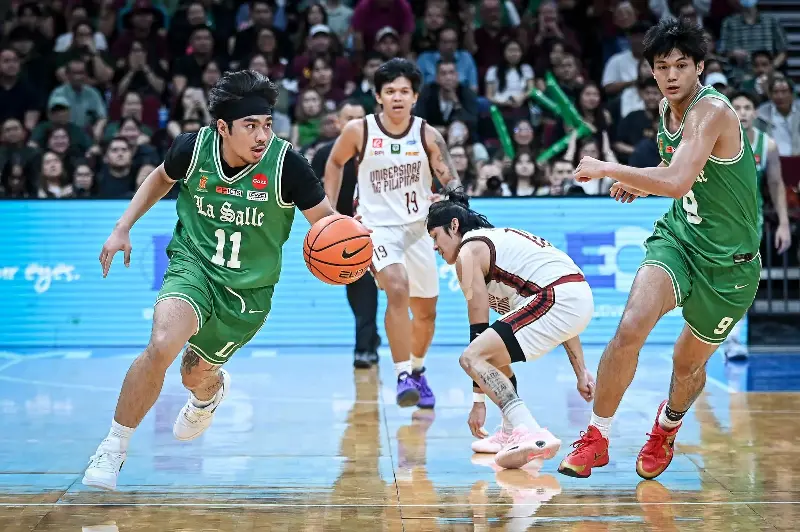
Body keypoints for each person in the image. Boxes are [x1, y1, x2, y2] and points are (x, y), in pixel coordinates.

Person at [83, 70, 342, 491]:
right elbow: (160, 178)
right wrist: (122, 226)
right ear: (223, 128)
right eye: (250, 126)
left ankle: (208, 396)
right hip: (194, 266)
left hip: (246, 294)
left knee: (193, 374)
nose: (262, 135)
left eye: (267, 124)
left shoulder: (287, 166)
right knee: (161, 345)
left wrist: (354, 249)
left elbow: (327, 224)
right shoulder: (193, 148)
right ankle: (113, 447)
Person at [558, 18, 762, 480]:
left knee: (686, 363)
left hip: (730, 267)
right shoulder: (667, 109)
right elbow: (677, 171)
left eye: (681, 65)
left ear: (700, 67)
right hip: (680, 240)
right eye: (662, 66)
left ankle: (666, 428)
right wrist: (642, 184)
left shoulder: (711, 111)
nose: (671, 75)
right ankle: (596, 437)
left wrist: (611, 169)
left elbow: (677, 180)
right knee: (630, 326)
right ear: (651, 71)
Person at [324, 58, 461, 409]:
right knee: (397, 289)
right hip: (376, 228)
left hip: (420, 228)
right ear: (378, 96)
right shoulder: (359, 130)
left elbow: (448, 174)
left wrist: (456, 195)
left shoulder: (427, 134)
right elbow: (335, 162)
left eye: (403, 91)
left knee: (426, 312)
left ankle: (417, 370)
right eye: (390, 91)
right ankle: (403, 376)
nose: (397, 97)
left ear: (414, 96)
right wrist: (330, 213)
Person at [426, 191, 595, 469]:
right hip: (574, 298)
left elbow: (478, 330)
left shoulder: (468, 252)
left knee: (472, 357)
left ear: (454, 226)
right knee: (494, 353)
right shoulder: (495, 243)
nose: (435, 246)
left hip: (558, 297)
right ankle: (508, 431)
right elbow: (566, 310)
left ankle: (529, 431)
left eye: (435, 236)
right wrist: (581, 371)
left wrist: (478, 401)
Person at [311, 100, 382, 369]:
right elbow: (312, 195)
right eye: (348, 118)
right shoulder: (325, 155)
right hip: (344, 233)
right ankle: (368, 342)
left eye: (359, 118)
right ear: (338, 122)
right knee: (359, 287)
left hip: (379, 228)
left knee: (374, 288)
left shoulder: (377, 153)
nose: (354, 123)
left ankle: (366, 345)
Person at [722, 91, 792, 361]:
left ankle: (734, 340)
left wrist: (783, 224)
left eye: (748, 107)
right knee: (713, 283)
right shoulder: (716, 142)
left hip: (750, 226)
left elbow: (776, 185)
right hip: (715, 223)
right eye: (737, 107)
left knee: (741, 283)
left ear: (755, 112)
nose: (743, 112)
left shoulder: (767, 145)